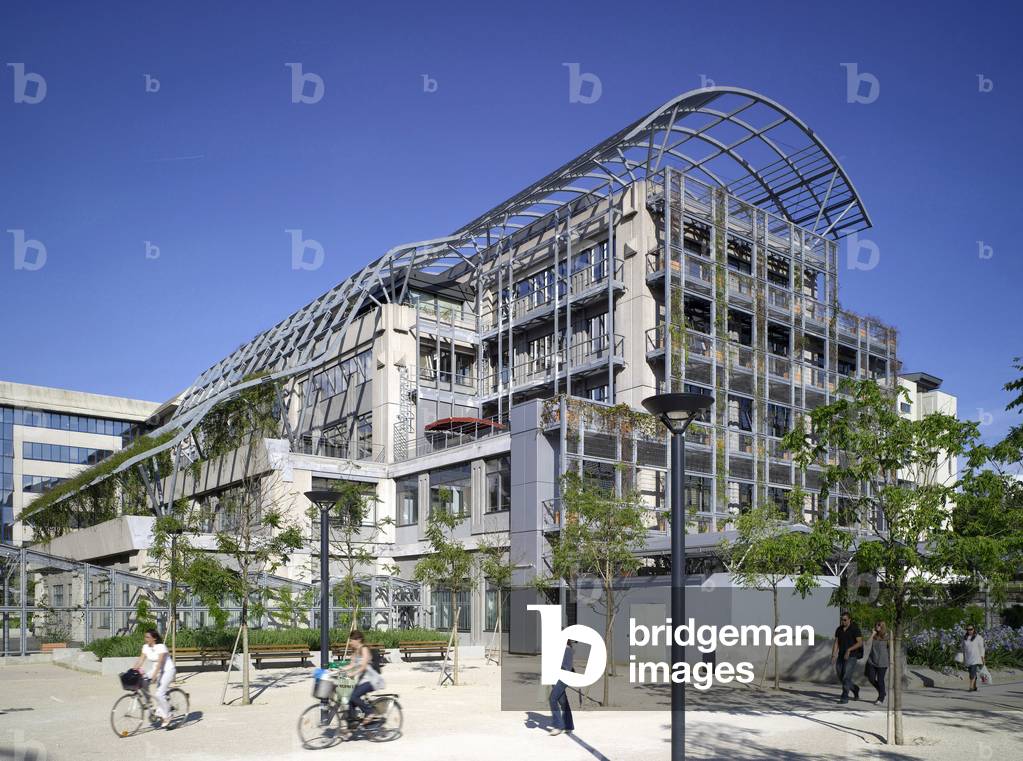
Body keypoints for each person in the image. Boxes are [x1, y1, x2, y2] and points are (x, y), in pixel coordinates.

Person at [131, 628, 176, 726]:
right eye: (145, 637)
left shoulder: (161, 647)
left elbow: (160, 663)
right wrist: (131, 671)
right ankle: (149, 703)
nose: (145, 639)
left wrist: (155, 676)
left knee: (159, 694)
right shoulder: (145, 647)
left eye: (148, 637)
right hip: (156, 670)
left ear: (154, 638)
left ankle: (168, 715)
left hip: (167, 670)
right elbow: (140, 660)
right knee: (141, 681)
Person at [341, 630, 384, 730]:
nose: (350, 642)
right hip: (362, 680)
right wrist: (339, 670)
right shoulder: (355, 652)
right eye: (350, 640)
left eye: (352, 640)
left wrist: (352, 674)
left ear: (358, 640)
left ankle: (370, 712)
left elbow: (364, 666)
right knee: (349, 698)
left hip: (371, 680)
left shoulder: (364, 649)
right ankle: (351, 726)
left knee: (354, 696)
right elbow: (351, 665)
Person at [831, 612, 863, 704]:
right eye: (842, 619)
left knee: (846, 677)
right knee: (841, 676)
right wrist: (833, 654)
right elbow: (836, 642)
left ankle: (844, 697)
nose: (843, 621)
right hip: (841, 655)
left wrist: (849, 650)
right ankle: (855, 688)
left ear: (849, 620)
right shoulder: (839, 629)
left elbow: (860, 642)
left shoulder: (855, 629)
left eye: (845, 620)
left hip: (852, 656)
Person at [548, 641, 575, 736]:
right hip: (556, 677)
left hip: (563, 677)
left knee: (552, 699)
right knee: (563, 701)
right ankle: (568, 725)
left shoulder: (567, 649)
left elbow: (566, 667)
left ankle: (558, 726)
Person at [863, 620, 889, 704]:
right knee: (871, 678)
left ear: (882, 626)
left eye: (878, 625)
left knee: (880, 680)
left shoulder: (887, 636)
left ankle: (880, 698)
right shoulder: (874, 635)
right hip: (872, 660)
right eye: (876, 625)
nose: (876, 626)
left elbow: (891, 648)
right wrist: (872, 634)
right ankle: (882, 692)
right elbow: (867, 644)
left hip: (882, 662)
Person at [962, 624, 986, 692]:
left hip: (976, 657)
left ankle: (971, 687)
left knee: (972, 671)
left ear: (974, 629)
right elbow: (963, 648)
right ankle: (974, 686)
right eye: (967, 629)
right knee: (971, 673)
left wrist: (982, 657)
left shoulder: (978, 637)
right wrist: (964, 658)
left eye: (971, 629)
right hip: (968, 658)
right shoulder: (964, 638)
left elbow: (982, 648)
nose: (969, 631)